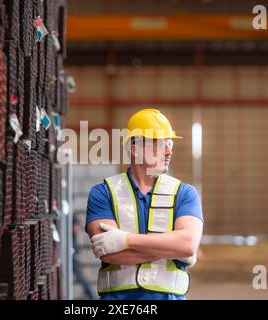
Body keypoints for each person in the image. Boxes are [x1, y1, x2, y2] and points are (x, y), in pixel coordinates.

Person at [86, 108, 204, 300]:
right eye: (159, 144)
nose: (168, 151)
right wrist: (170, 250)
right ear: (135, 148)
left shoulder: (185, 193)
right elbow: (108, 253)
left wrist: (125, 240)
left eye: (169, 142)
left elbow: (187, 244)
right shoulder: (103, 192)